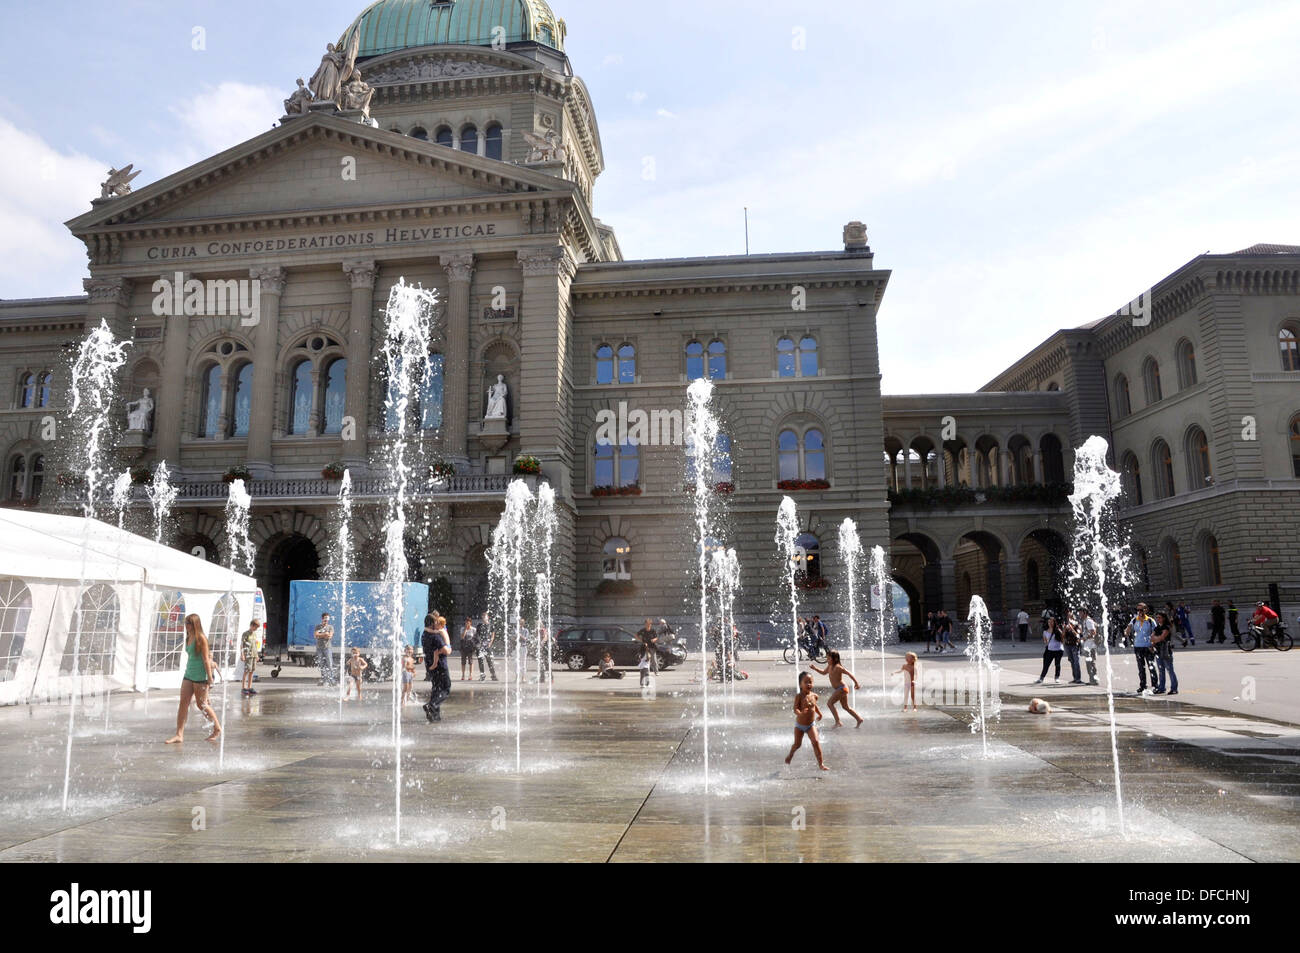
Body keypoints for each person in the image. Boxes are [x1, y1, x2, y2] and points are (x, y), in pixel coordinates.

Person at [165, 614, 222, 743]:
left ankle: (217, 728)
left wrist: (209, 679)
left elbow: (206, 660)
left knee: (201, 705)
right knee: (183, 703)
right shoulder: (188, 637)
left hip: (200, 676)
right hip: (189, 674)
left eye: (188, 623)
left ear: (195, 624)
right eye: (185, 623)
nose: (186, 626)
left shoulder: (201, 638)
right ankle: (179, 734)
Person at [784, 671, 828, 771]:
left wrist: (819, 713)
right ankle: (790, 755)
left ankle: (821, 764)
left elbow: (814, 706)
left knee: (816, 742)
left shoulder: (814, 696)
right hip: (799, 725)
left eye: (810, 682)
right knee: (797, 744)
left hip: (810, 725)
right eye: (806, 682)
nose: (809, 684)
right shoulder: (799, 696)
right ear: (800, 684)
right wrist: (800, 713)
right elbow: (795, 709)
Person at [810, 650, 863, 727]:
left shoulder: (838, 667)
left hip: (842, 688)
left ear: (835, 659)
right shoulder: (830, 666)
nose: (827, 660)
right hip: (841, 689)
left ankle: (838, 722)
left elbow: (849, 673)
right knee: (845, 707)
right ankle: (859, 719)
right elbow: (824, 672)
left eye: (828, 659)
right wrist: (815, 668)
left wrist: (856, 683)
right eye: (827, 658)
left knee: (830, 703)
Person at [422, 614, 452, 722]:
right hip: (441, 666)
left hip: (430, 666)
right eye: (435, 622)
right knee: (446, 688)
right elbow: (447, 651)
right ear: (431, 624)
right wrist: (449, 645)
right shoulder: (436, 637)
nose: (436, 624)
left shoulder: (424, 635)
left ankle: (434, 715)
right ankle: (432, 705)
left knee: (436, 689)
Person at [1125, 603, 1158, 694]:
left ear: (1145, 610)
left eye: (1141, 610)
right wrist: (1127, 629)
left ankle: (1155, 685)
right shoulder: (1134, 620)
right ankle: (1143, 685)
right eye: (1138, 610)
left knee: (1151, 666)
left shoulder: (1150, 621)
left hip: (1148, 646)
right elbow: (1127, 632)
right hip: (1138, 646)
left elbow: (1155, 632)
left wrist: (1153, 644)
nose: (1139, 612)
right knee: (1141, 668)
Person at [1152, 611, 1179, 696]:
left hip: (1166, 651)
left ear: (1163, 618)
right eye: (1157, 617)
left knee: (1170, 670)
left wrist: (1156, 639)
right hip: (1158, 650)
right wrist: (1156, 639)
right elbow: (1151, 638)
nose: (1158, 619)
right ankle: (1161, 687)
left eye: (1159, 617)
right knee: (1161, 670)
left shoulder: (1166, 627)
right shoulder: (1157, 627)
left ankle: (1174, 688)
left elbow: (1162, 637)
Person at [1035, 616, 1064, 684]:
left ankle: (1057, 677)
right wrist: (1046, 641)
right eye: (1049, 622)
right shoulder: (1045, 632)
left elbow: (1062, 640)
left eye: (1051, 622)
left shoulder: (1058, 630)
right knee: (1046, 664)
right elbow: (1045, 641)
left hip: (1058, 650)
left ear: (1054, 623)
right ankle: (1041, 678)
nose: (1050, 623)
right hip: (1050, 650)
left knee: (1057, 664)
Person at [240, 619, 261, 696]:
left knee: (252, 671)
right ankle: (243, 688)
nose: (256, 629)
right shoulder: (245, 634)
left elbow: (255, 645)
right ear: (252, 625)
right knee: (246, 671)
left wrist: (257, 655)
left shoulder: (254, 634)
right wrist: (242, 654)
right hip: (247, 655)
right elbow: (242, 645)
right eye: (255, 627)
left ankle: (249, 687)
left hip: (253, 655)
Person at [1061, 611, 1083, 684]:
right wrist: (1064, 629)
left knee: (1076, 662)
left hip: (1075, 645)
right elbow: (1063, 636)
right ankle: (1075, 678)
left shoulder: (1077, 625)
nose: (1069, 618)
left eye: (1070, 617)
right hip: (1068, 645)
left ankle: (1078, 679)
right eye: (1068, 617)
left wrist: (1072, 629)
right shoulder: (1066, 626)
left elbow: (1078, 635)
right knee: (1072, 662)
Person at [314, 612, 335, 686]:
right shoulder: (318, 627)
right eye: (325, 618)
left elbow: (329, 636)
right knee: (321, 664)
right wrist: (325, 634)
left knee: (330, 664)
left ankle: (332, 680)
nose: (326, 620)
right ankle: (323, 679)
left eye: (327, 618)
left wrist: (321, 635)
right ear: (322, 618)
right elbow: (316, 635)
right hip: (319, 648)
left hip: (327, 648)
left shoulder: (330, 627)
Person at [476, 612, 498, 681]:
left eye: (485, 617)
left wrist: (490, 643)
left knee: (490, 661)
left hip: (488, 645)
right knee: (480, 661)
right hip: (481, 645)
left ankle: (493, 675)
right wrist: (479, 643)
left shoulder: (491, 625)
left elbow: (493, 635)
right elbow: (477, 635)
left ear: (487, 617)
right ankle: (482, 675)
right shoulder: (479, 625)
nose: (484, 618)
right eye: (483, 617)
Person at [1080, 609, 1100, 685]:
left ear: (1084, 613)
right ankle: (1092, 679)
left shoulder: (1088, 621)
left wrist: (1085, 638)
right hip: (1088, 645)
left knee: (1091, 663)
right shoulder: (1086, 621)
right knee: (1089, 663)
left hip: (1090, 646)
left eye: (1080, 612)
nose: (1079, 614)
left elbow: (1093, 632)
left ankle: (1094, 680)